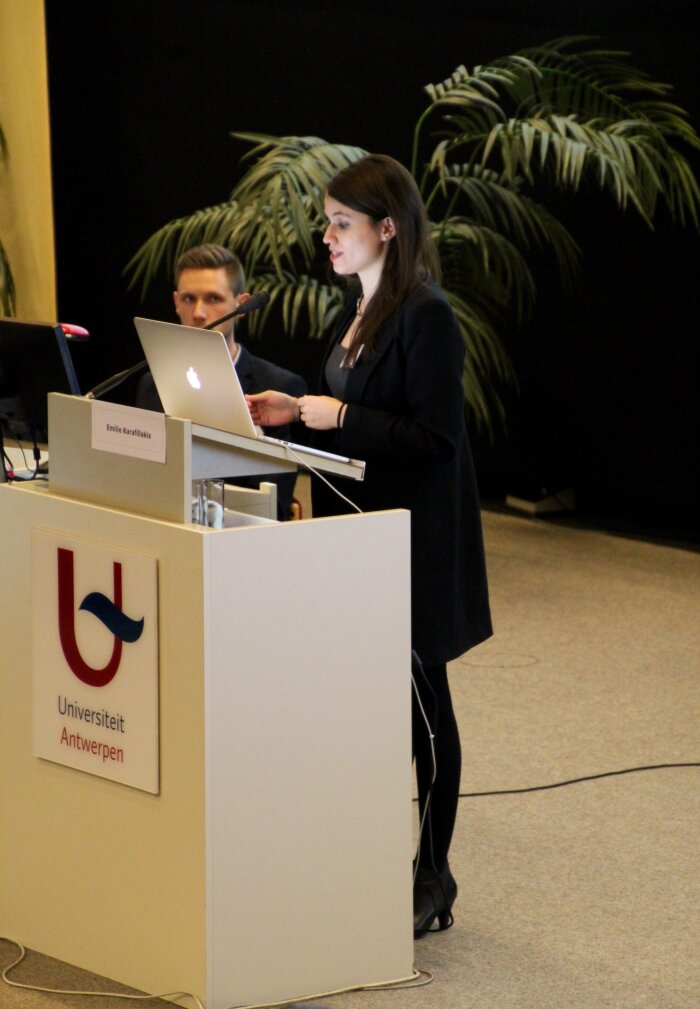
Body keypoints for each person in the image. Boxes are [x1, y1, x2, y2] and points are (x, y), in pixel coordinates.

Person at [247, 154, 492, 936]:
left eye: (340, 223)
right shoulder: (357, 307)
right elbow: (346, 411)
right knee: (369, 703)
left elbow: (435, 437)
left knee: (425, 709)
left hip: (411, 542)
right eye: (326, 222)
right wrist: (294, 408)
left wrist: (338, 416)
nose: (327, 236)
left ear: (387, 228)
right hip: (355, 536)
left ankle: (434, 873)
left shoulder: (426, 313)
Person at [136, 243, 306, 520]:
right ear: (176, 302)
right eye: (189, 299)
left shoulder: (278, 387)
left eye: (213, 298)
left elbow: (273, 506)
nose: (199, 312)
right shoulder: (152, 385)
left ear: (241, 305)